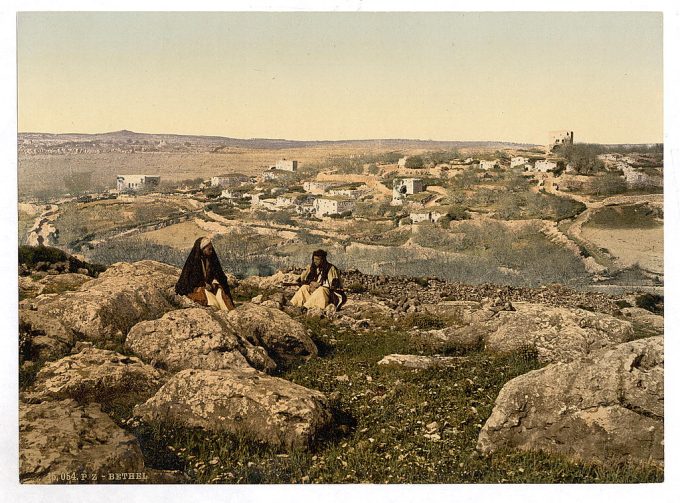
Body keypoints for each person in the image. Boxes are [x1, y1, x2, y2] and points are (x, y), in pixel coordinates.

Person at [175, 236, 236, 311]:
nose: (211, 251)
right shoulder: (194, 262)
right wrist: (203, 284)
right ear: (202, 249)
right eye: (209, 249)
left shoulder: (211, 260)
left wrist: (214, 282)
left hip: (211, 286)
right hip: (198, 288)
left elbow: (219, 275)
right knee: (212, 302)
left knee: (222, 296)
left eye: (211, 249)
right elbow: (190, 279)